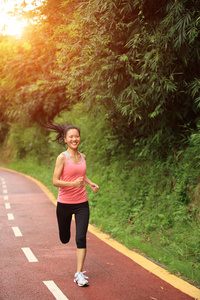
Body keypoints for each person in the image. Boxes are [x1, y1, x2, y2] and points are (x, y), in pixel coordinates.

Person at [45, 122, 99, 287]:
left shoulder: (82, 157)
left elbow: (81, 174)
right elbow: (55, 181)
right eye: (71, 137)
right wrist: (72, 184)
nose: (75, 139)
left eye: (77, 136)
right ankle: (64, 234)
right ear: (65, 140)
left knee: (81, 238)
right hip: (64, 204)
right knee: (64, 238)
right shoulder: (62, 157)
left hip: (82, 203)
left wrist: (89, 183)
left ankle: (79, 273)